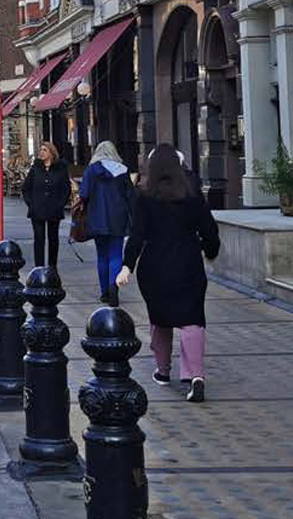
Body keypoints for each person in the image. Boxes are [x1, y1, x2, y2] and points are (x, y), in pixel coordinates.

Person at [118, 145, 221, 404]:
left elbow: (137, 236)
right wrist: (211, 250)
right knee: (192, 320)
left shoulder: (145, 196)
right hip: (188, 264)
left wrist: (126, 266)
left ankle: (163, 372)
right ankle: (195, 376)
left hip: (155, 267)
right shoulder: (192, 194)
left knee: (160, 320)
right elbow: (209, 230)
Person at [78, 140, 133, 307]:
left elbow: (84, 194)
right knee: (116, 255)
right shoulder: (123, 171)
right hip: (118, 217)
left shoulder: (91, 170)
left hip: (96, 217)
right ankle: (113, 290)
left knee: (102, 256)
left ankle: (104, 293)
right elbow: (130, 196)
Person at [21, 142, 72, 268]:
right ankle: (39, 268)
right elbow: (26, 188)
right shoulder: (35, 168)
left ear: (51, 153)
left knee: (53, 239)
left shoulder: (61, 168)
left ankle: (52, 267)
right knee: (39, 239)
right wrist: (31, 204)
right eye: (40, 150)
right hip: (37, 209)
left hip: (54, 209)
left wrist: (60, 204)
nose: (41, 152)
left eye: (44, 150)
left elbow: (66, 189)